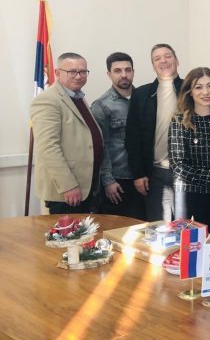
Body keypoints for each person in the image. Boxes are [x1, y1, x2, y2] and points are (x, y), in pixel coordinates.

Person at [30, 52, 103, 214]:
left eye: (83, 72)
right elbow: (48, 147)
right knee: (69, 231)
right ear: (57, 73)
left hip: (86, 187)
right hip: (66, 192)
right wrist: (68, 185)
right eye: (72, 72)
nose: (78, 76)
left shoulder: (77, 96)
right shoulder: (48, 100)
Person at [169, 67, 210, 231]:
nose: (206, 92)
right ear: (190, 92)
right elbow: (178, 167)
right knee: (193, 244)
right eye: (198, 87)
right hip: (191, 199)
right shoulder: (180, 122)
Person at [126, 43, 183, 221]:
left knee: (187, 225)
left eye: (168, 56)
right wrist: (138, 174)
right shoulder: (141, 94)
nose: (163, 61)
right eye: (157, 58)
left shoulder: (191, 90)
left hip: (186, 172)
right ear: (153, 65)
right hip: (155, 174)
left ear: (177, 60)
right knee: (159, 226)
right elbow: (132, 137)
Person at [90, 52, 144, 219]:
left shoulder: (145, 98)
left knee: (146, 227)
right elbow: (101, 146)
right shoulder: (101, 106)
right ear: (109, 74)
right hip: (119, 180)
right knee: (120, 229)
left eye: (128, 70)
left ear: (133, 72)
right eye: (118, 71)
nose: (124, 75)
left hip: (145, 176)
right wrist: (108, 181)